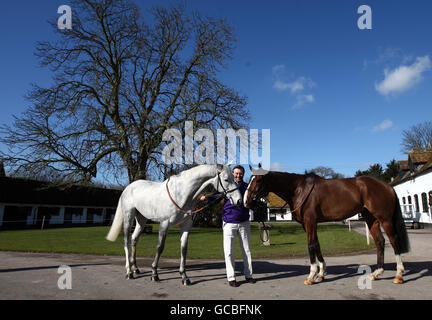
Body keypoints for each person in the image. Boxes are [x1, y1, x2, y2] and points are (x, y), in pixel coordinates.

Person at [200, 165, 255, 287]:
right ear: (233, 174)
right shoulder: (227, 185)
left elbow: (252, 200)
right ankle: (231, 277)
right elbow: (215, 196)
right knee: (229, 251)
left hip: (244, 222)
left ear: (243, 174)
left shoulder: (247, 187)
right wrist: (206, 198)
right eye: (236, 173)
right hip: (229, 222)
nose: (238, 175)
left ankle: (249, 275)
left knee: (246, 250)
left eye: (240, 173)